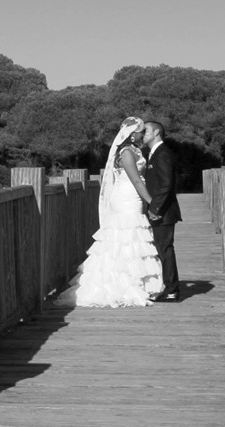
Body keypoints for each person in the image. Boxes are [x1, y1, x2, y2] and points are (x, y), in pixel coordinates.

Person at [55, 117, 163, 308]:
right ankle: (122, 284)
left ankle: (135, 279)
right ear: (131, 134)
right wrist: (152, 203)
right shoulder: (126, 153)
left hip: (133, 196)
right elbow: (136, 181)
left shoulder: (134, 150)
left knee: (131, 238)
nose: (142, 133)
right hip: (127, 197)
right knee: (126, 235)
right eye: (139, 131)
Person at [142, 121, 182, 302]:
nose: (143, 134)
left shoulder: (163, 153)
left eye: (146, 131)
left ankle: (172, 290)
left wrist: (155, 208)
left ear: (156, 132)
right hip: (159, 210)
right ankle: (165, 286)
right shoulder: (153, 153)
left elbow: (166, 184)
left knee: (165, 249)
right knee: (160, 249)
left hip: (163, 212)